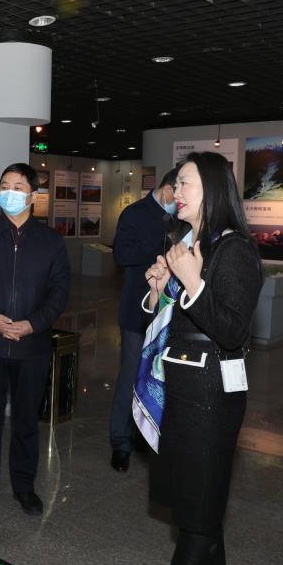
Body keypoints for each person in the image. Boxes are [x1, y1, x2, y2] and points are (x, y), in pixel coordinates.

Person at [142, 152, 262, 565]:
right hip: (180, 385)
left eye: (185, 183)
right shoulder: (190, 242)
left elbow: (232, 330)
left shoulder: (235, 250)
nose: (176, 192)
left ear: (212, 188)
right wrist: (161, 289)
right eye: (175, 184)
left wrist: (192, 282)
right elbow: (176, 320)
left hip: (211, 393)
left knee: (198, 510)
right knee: (198, 498)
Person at [0, 163, 70, 516]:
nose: (9, 192)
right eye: (4, 185)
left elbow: (59, 291)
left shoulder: (51, 241)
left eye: (18, 187)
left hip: (32, 346)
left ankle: (24, 487)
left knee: (26, 423)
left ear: (33, 196)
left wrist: (32, 324)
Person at [108, 168, 179, 472]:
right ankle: (120, 442)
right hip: (137, 313)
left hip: (170, 313)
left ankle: (146, 435)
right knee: (130, 376)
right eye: (178, 191)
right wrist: (160, 241)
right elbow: (121, 256)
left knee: (160, 377)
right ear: (167, 189)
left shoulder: (183, 218)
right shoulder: (134, 213)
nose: (180, 199)